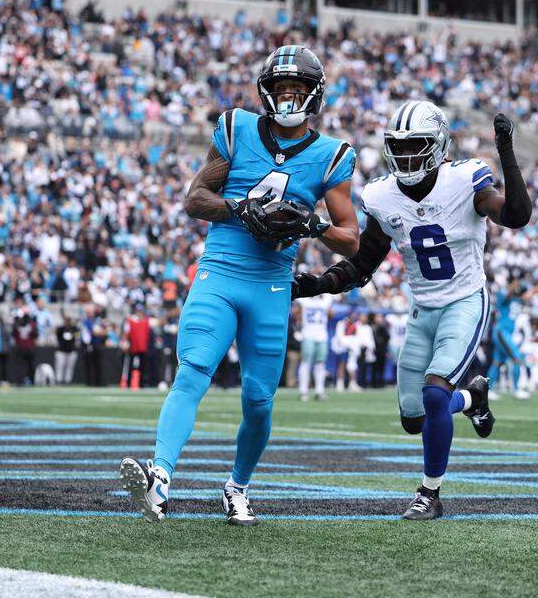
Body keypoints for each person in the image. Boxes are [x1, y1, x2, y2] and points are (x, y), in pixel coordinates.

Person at [120, 45, 359, 526]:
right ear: (265, 92)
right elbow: (195, 199)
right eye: (280, 89)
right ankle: (159, 479)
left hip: (271, 284)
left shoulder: (331, 154)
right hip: (221, 272)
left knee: (258, 399)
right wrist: (239, 209)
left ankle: (237, 486)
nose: (288, 97)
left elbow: (350, 240)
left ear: (314, 95)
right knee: (193, 370)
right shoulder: (236, 127)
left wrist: (311, 225)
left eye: (297, 90)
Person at [294, 104, 532, 520]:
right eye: (398, 148)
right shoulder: (382, 196)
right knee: (413, 418)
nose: (405, 157)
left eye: (416, 146)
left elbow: (516, 215)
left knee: (434, 392)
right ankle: (472, 398)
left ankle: (430, 493)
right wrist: (318, 284)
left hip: (464, 301)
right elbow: (363, 264)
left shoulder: (466, 180)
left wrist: (506, 152)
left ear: (438, 146)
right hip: (422, 310)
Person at [489, 279, 528, 398]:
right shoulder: (503, 294)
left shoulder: (517, 299)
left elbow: (525, 294)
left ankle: (487, 390)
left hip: (506, 333)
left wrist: (536, 288)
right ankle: (516, 390)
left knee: (497, 362)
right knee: (517, 358)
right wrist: (513, 285)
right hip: (501, 332)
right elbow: (507, 296)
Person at [296, 294, 332, 401]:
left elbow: (331, 314)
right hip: (308, 334)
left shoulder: (326, 298)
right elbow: (296, 312)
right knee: (306, 362)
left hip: (322, 336)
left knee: (320, 364)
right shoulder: (305, 299)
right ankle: (303, 391)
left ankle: (319, 391)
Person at [122, 306, 151, 390]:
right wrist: (125, 342)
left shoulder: (146, 321)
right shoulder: (131, 321)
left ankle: (142, 383)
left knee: (143, 366)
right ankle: (128, 383)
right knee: (130, 366)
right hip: (133, 347)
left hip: (143, 347)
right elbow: (126, 332)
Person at [11, 299, 38, 385]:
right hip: (28, 347)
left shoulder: (18, 324)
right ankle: (27, 380)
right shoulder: (31, 324)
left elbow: (14, 334)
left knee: (24, 366)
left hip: (22, 347)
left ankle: (22, 381)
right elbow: (35, 334)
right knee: (27, 366)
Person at [55, 311, 79, 385]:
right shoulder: (60, 329)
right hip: (61, 350)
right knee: (60, 366)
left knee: (69, 367)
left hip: (71, 350)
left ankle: (68, 380)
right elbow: (56, 335)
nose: (67, 322)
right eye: (66, 320)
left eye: (68, 321)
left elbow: (76, 336)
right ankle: (59, 380)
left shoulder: (74, 329)